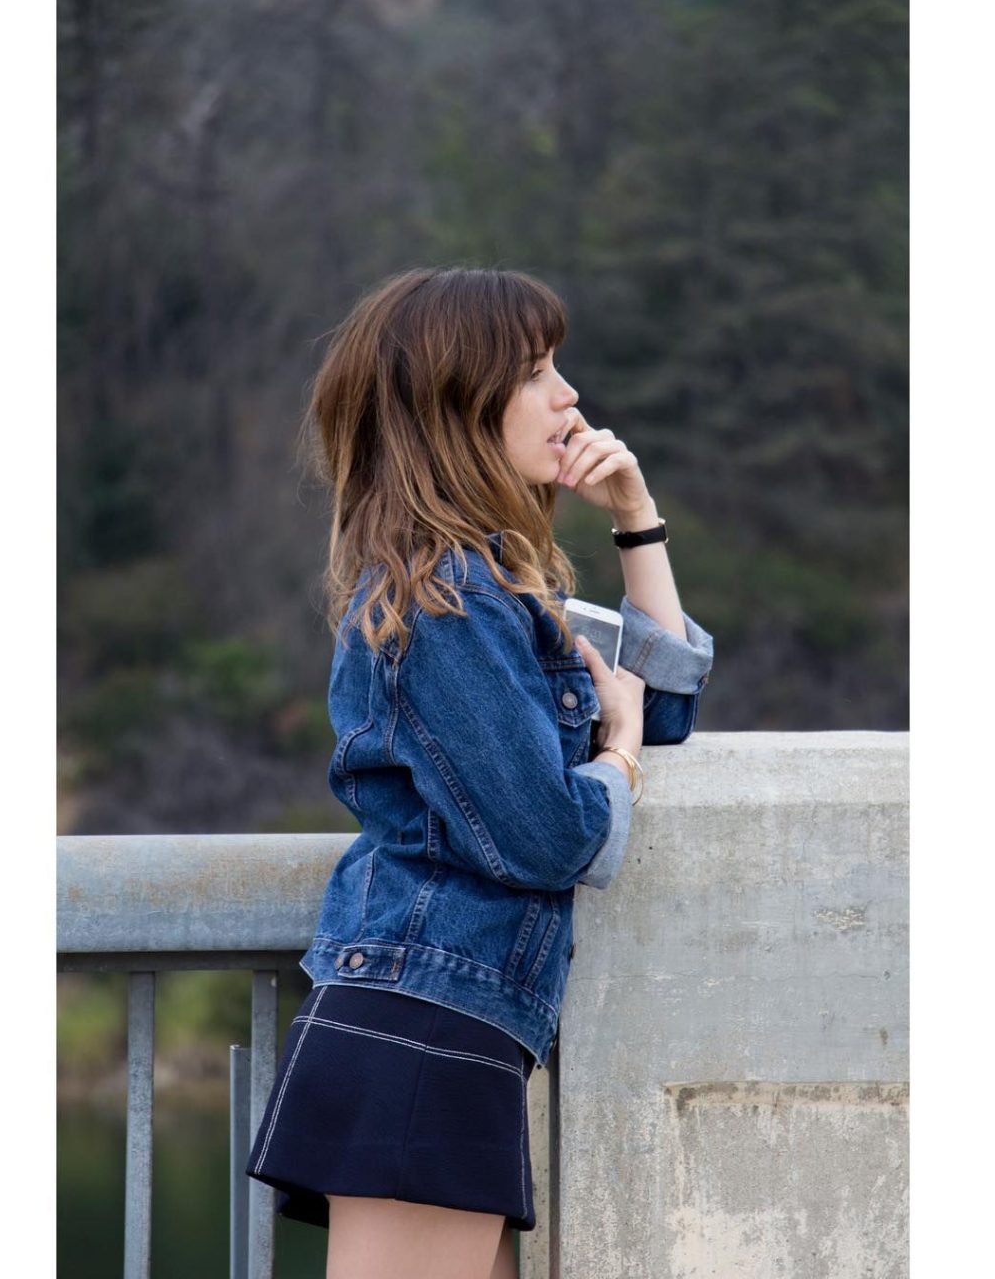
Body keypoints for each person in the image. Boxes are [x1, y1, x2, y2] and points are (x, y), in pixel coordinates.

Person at [246, 267, 714, 1279]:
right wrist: (617, 757)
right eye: (537, 372)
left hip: (447, 1023)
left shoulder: (494, 586)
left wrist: (635, 517)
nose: (569, 396)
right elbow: (549, 833)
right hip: (421, 1025)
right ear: (458, 405)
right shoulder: (445, 599)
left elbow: (663, 704)